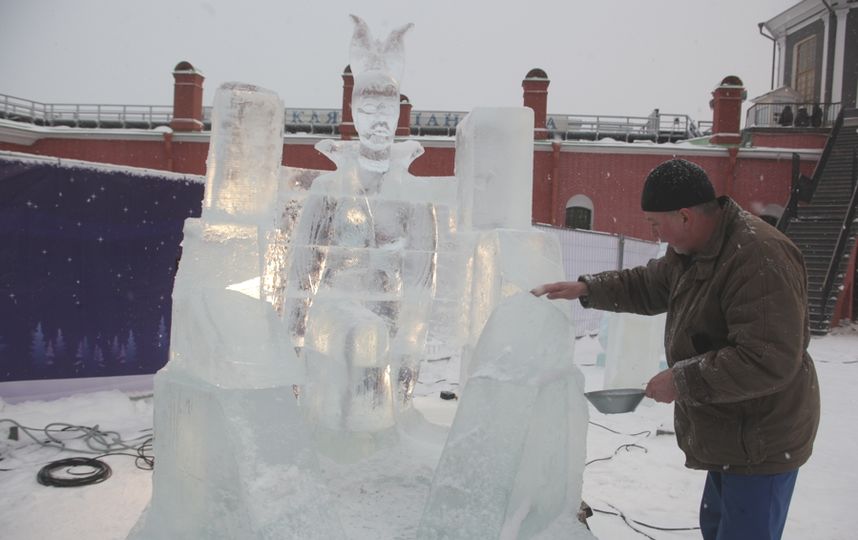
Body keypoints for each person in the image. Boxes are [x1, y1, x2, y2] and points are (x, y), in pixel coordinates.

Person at [532, 158, 820, 540]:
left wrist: (682, 380)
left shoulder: (757, 257)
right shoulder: (697, 249)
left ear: (684, 216)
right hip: (731, 430)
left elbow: (766, 358)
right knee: (718, 527)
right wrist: (588, 288)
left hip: (761, 438)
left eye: (656, 223)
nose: (655, 233)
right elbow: (651, 284)